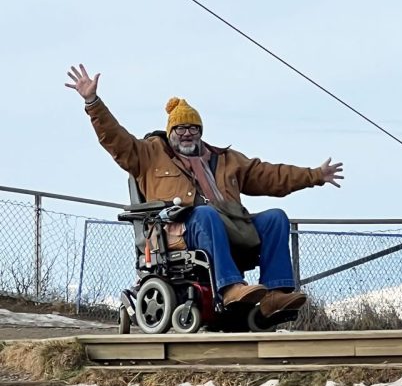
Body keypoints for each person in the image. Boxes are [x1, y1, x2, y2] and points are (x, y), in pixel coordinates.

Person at [65, 64, 344, 317]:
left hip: (229, 226)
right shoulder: (148, 154)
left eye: (193, 128)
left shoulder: (225, 159)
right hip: (176, 232)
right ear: (170, 131)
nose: (187, 133)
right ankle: (230, 288)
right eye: (181, 128)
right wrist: (93, 102)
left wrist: (315, 175)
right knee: (205, 214)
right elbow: (115, 139)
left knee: (275, 218)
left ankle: (275, 294)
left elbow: (271, 175)